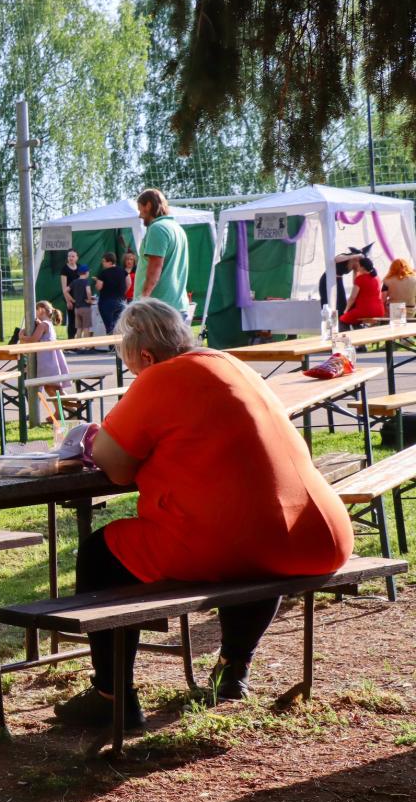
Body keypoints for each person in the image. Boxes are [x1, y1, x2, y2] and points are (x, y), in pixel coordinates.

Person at [52, 299, 353, 729]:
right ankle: (233, 668)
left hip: (230, 539)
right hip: (317, 534)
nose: (135, 375)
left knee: (100, 554)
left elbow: (115, 466)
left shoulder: (160, 378)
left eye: (131, 366)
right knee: (254, 554)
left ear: (145, 356)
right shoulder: (230, 364)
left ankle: (111, 695)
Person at [135, 189, 190, 320]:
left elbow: (155, 269)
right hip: (175, 306)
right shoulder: (177, 228)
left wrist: (142, 302)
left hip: (157, 310)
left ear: (148, 205)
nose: (140, 215)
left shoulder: (157, 228)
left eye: (140, 209)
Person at [21, 302, 69, 396]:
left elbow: (33, 339)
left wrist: (22, 336)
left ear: (41, 310)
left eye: (35, 311)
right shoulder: (48, 324)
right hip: (51, 360)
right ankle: (62, 405)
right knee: (51, 388)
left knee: (52, 388)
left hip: (46, 361)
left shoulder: (43, 325)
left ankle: (69, 403)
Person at [339, 253, 385, 327]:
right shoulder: (377, 278)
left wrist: (346, 310)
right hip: (379, 310)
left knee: (342, 319)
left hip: (365, 310)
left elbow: (352, 297)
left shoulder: (360, 279)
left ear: (362, 267)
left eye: (358, 265)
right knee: (355, 319)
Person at [95, 252, 128, 335]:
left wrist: (97, 281)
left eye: (104, 261)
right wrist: (123, 293)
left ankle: (111, 341)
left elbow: (99, 287)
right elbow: (129, 282)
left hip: (106, 302)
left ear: (109, 262)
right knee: (118, 325)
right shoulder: (122, 271)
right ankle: (119, 342)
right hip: (120, 301)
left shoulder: (103, 273)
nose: (102, 263)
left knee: (109, 326)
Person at [57, 250, 82, 339]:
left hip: (79, 298)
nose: (70, 258)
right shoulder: (64, 269)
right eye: (69, 256)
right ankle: (70, 340)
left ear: (77, 258)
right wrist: (68, 301)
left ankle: (78, 340)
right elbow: (64, 288)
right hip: (69, 298)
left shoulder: (80, 267)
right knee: (72, 320)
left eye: (73, 256)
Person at [69, 265, 95, 338]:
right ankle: (86, 344)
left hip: (77, 308)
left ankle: (78, 344)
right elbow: (88, 291)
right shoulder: (86, 282)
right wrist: (89, 300)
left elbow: (65, 291)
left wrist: (71, 299)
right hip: (85, 308)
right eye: (88, 272)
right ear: (86, 272)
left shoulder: (74, 282)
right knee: (86, 328)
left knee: (79, 328)